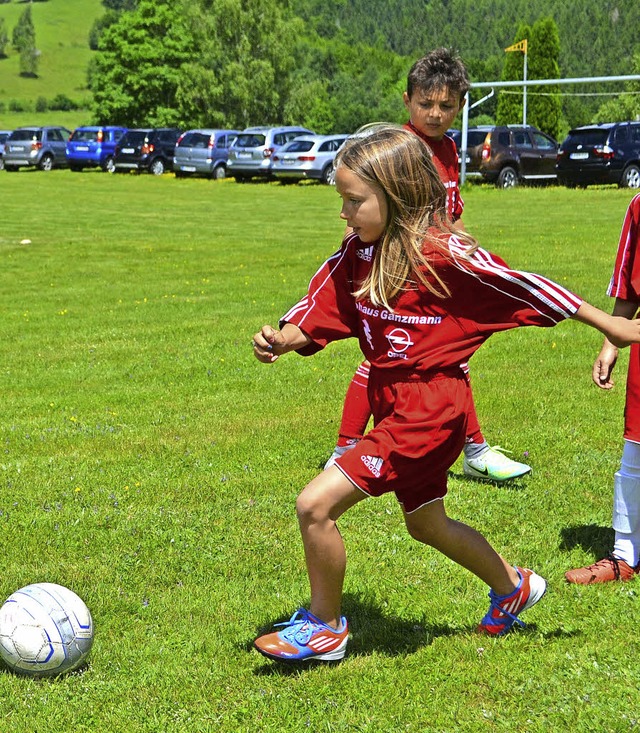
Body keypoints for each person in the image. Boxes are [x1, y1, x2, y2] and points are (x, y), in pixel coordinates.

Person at [251, 125, 640, 662]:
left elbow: (525, 283)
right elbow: (325, 304)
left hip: (428, 411)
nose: (343, 213)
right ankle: (513, 586)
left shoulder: (445, 254)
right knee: (427, 523)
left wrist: (613, 328)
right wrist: (285, 338)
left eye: (352, 200)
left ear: (397, 194)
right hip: (397, 403)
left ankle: (324, 627)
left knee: (314, 506)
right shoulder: (359, 252)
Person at [326, 48, 531, 483]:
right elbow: (367, 213)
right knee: (387, 359)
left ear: (460, 105)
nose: (435, 114)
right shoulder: (397, 149)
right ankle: (346, 448)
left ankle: (473, 448)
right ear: (407, 100)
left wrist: (459, 253)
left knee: (447, 359)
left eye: (446, 105)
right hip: (393, 266)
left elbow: (448, 215)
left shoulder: (450, 149)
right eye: (426, 104)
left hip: (431, 267)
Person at [566, 193, 640, 584]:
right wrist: (611, 344)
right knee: (637, 447)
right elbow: (630, 284)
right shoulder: (639, 205)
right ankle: (624, 554)